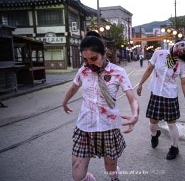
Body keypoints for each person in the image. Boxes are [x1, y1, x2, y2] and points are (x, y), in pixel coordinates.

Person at [62, 36, 139, 181]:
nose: (89, 63)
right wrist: (65, 101)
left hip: (108, 127)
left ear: (104, 54)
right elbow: (74, 87)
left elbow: (131, 97)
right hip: (85, 127)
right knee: (77, 176)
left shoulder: (118, 72)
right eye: (85, 60)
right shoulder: (82, 71)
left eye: (93, 58)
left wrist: (135, 114)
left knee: (110, 170)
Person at [137, 41, 185, 160]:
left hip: (170, 95)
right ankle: (155, 134)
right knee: (153, 123)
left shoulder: (182, 63)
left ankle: (174, 147)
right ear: (175, 49)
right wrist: (140, 84)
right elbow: (149, 70)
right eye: (178, 55)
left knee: (171, 123)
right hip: (156, 93)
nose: (178, 58)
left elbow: (184, 83)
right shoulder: (159, 54)